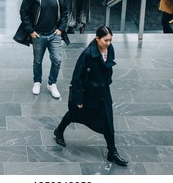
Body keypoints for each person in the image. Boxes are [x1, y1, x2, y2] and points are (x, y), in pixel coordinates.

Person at [53, 26, 128, 166]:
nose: (108, 43)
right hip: (88, 93)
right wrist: (78, 99)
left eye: (110, 40)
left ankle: (112, 151)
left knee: (108, 121)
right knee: (75, 114)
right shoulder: (87, 54)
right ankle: (59, 130)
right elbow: (77, 78)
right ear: (97, 38)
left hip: (103, 93)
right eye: (106, 40)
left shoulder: (109, 49)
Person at [13, 0, 69, 98]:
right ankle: (37, 81)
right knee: (37, 61)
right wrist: (31, 31)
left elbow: (65, 12)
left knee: (57, 60)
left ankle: (52, 83)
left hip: (54, 34)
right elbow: (24, 13)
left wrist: (60, 29)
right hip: (38, 35)